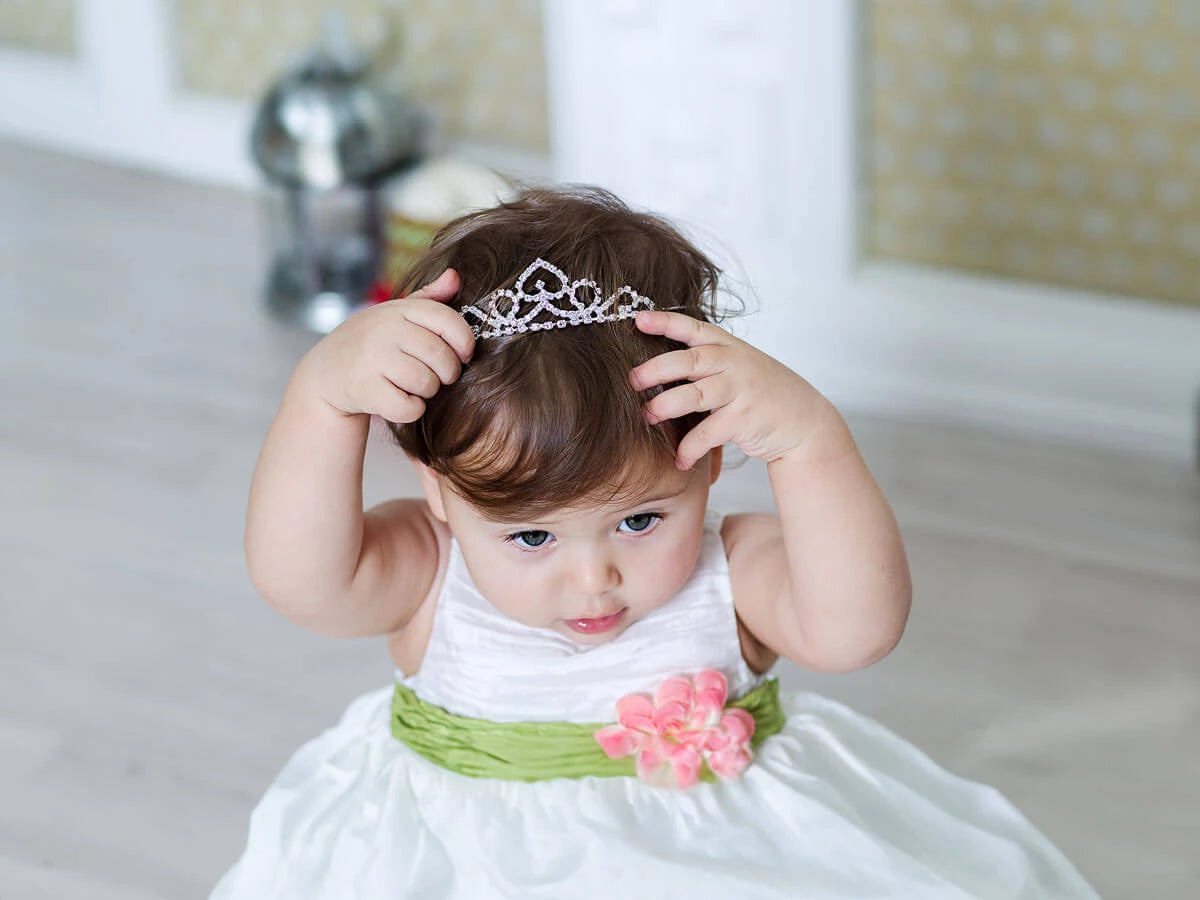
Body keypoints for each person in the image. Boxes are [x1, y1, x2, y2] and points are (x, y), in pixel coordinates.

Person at [213, 187, 1098, 898]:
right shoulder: (430, 570)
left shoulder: (736, 573)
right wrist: (320, 401)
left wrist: (811, 442)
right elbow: (303, 581)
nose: (594, 577)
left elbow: (857, 630)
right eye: (529, 535)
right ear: (441, 495)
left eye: (641, 521)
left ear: (709, 464)